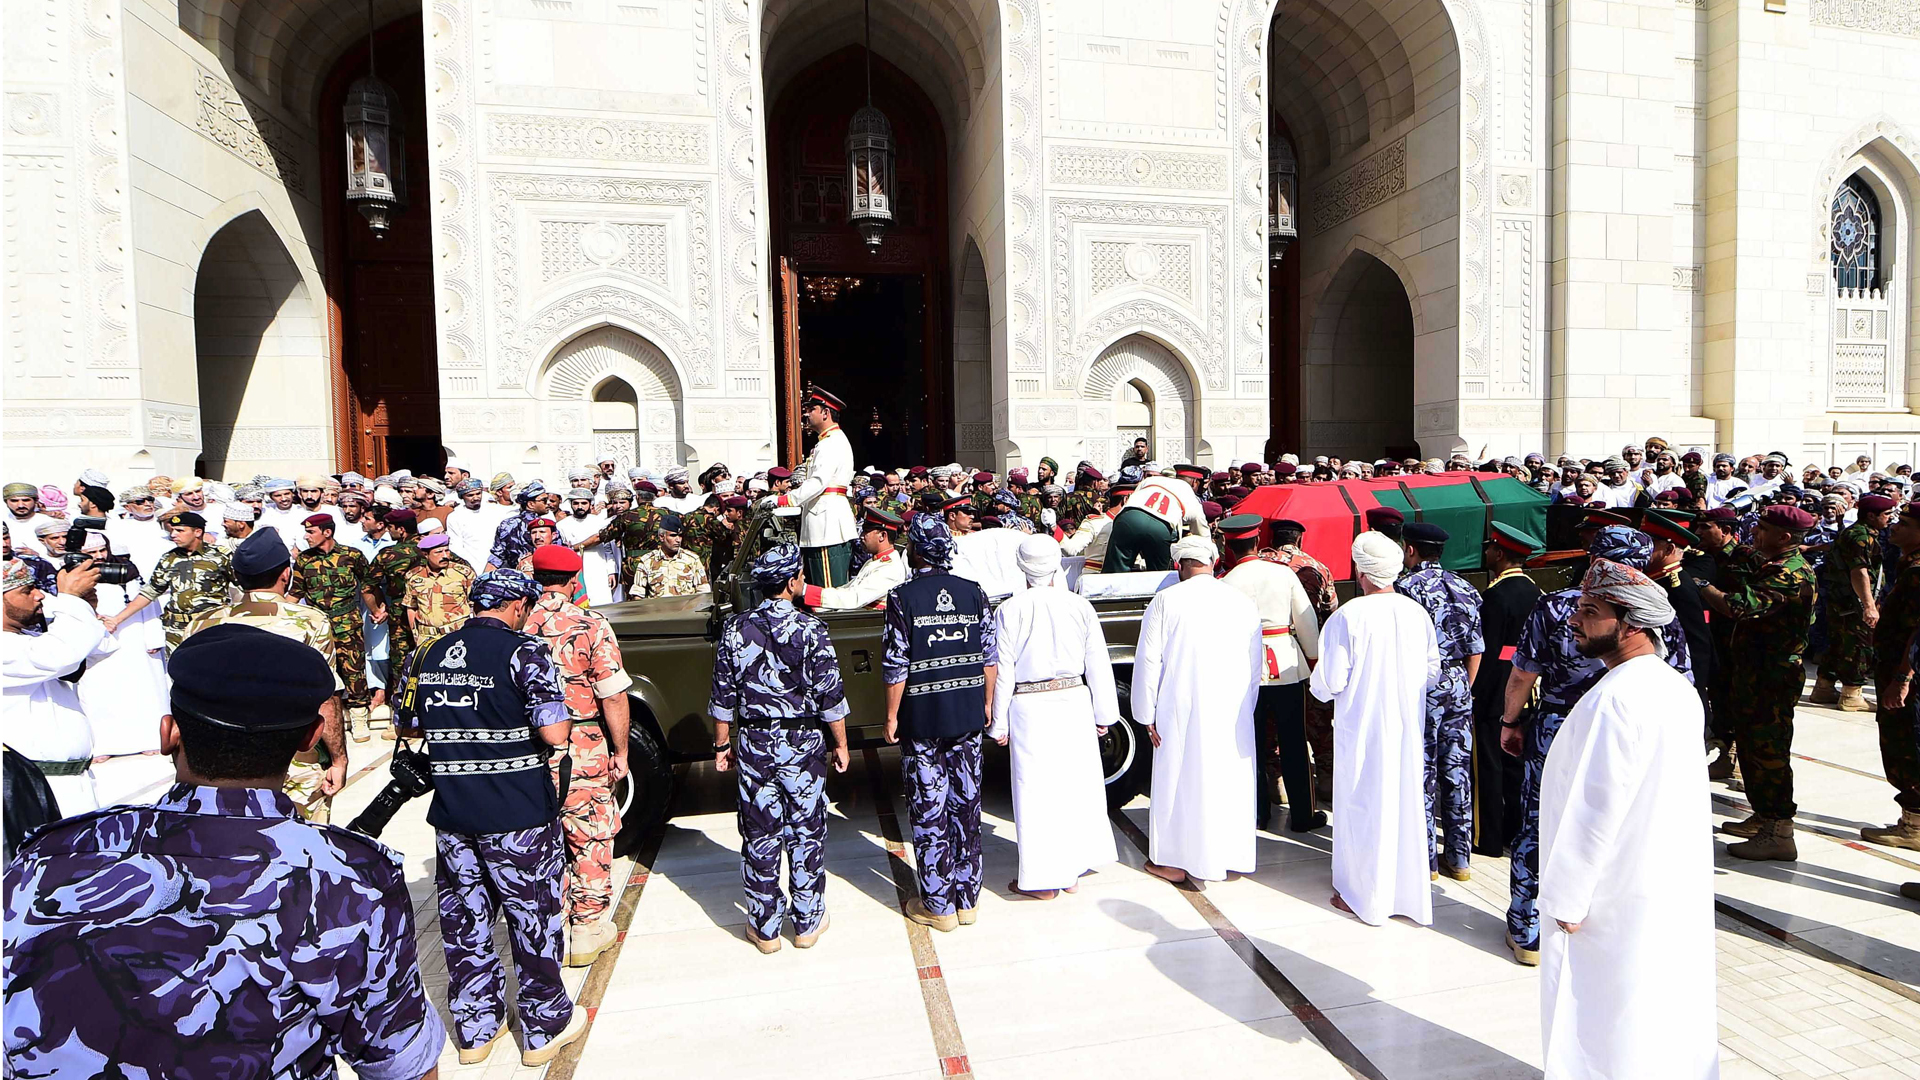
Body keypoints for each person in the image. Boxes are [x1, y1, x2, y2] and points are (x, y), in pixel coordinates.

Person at [2, 625, 447, 1079]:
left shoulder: (48, 856)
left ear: (169, 733)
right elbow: (400, 1063)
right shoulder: (350, 878)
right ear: (310, 737)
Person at [1536, 560, 1718, 1080]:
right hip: (1657, 880)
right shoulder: (1670, 683)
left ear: (1631, 622)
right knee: (1654, 1009)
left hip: (1610, 892)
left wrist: (1567, 897)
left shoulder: (1617, 697)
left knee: (1601, 1014)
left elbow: (1595, 807)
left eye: (1590, 612)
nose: (1574, 620)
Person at [402, 568, 587, 1067]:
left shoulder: (429, 652)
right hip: (518, 814)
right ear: (517, 606)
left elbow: (409, 721)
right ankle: (545, 1027)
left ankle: (476, 1030)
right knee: (534, 919)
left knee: (465, 922)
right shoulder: (524, 651)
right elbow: (552, 733)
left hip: (455, 813)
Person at [1501, 525, 1694, 965]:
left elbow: (1521, 674)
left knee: (1538, 823)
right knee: (1618, 828)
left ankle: (1526, 930)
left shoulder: (1554, 606)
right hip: (1631, 731)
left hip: (1556, 726)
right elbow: (1681, 678)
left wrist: (1510, 722)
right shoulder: (1655, 614)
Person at [709, 543, 851, 953]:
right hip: (803, 743)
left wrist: (722, 743)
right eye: (801, 577)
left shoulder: (736, 629)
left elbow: (723, 695)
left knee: (760, 832)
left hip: (754, 741)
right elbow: (831, 697)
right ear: (791, 583)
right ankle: (807, 923)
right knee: (806, 830)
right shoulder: (812, 629)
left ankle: (765, 927)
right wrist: (841, 744)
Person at [1308, 531, 1439, 926]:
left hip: (1362, 728)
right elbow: (1432, 671)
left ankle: (1362, 896)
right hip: (1405, 728)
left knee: (1363, 808)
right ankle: (1403, 895)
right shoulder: (1415, 612)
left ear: (1361, 572)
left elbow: (1329, 681)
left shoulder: (1349, 616)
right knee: (1402, 805)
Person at [184, 527, 351, 822]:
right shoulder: (309, 622)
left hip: (218, 760)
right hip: (291, 756)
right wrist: (338, 758)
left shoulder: (204, 622)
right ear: (285, 574)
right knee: (302, 845)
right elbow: (325, 697)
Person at [987, 533, 1120, 898]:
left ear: (1022, 566)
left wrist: (999, 723)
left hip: (1030, 706)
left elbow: (1005, 671)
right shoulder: (1079, 606)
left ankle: (1045, 880)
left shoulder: (1009, 610)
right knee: (1076, 785)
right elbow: (1098, 663)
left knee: (1036, 793)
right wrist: (1105, 712)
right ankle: (1073, 869)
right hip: (1075, 700)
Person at [882, 514, 995, 929]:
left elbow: (896, 664)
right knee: (967, 807)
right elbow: (989, 658)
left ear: (915, 550)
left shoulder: (902, 597)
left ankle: (938, 906)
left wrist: (891, 715)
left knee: (930, 812)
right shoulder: (973, 593)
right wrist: (986, 703)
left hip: (922, 718)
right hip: (966, 715)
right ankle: (968, 901)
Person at [524, 545, 634, 967]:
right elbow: (612, 693)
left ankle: (549, 925)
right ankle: (586, 931)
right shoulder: (590, 623)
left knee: (541, 838)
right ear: (573, 581)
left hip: (528, 749)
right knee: (590, 834)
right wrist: (621, 751)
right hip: (581, 745)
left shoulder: (516, 621)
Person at [1132, 534, 1261, 883]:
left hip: (1180, 705)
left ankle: (1174, 861)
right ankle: (1230, 856)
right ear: (1214, 562)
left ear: (1179, 566)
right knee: (1228, 779)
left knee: (1180, 781)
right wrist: (1245, 708)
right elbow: (1255, 665)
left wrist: (1145, 714)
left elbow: (1148, 660)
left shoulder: (1166, 600)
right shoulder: (1241, 601)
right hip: (1232, 707)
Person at [1699, 504, 1816, 861]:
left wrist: (1700, 586)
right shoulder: (1771, 566)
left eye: (1762, 529)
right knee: (1752, 747)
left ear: (1783, 537)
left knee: (1768, 752)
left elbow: (1736, 606)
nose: (1754, 534)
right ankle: (1764, 816)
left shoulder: (1788, 574)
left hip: (1772, 677)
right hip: (1756, 672)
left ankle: (1779, 831)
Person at [1219, 514, 1324, 832]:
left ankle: (1257, 810)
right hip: (1286, 663)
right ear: (1257, 541)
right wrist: (1313, 657)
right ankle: (1303, 814)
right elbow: (1306, 621)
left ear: (1229, 545)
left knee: (1250, 742)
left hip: (1244, 668)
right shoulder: (1282, 574)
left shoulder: (1225, 583)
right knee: (1294, 741)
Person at [1394, 521, 1484, 879]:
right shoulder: (1465, 586)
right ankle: (1460, 859)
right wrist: (1463, 686)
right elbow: (1476, 649)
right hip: (1459, 680)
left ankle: (1426, 859)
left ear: (1410, 550)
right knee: (1457, 770)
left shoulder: (1405, 588)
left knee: (1423, 770)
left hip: (1421, 682)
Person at [2, 555, 109, 813]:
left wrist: (85, 607)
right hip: (31, 791)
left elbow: (96, 649)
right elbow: (61, 654)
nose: (39, 595)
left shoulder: (29, 639)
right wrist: (70, 601)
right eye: (27, 590)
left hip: (71, 783)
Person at [1472, 522, 1542, 856]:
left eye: (1490, 548)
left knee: (1488, 762)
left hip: (1497, 683)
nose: (1486, 552)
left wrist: (1477, 691)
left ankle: (1487, 837)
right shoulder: (1534, 591)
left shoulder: (1497, 595)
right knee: (1515, 763)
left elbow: (1487, 649)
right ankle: (1515, 830)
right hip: (1526, 683)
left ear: (1499, 553)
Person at [1860, 503, 1920, 850]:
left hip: (1906, 676)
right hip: (1896, 669)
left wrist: (1903, 678)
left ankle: (1913, 825)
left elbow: (1917, 631)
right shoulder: (1907, 564)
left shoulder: (1918, 572)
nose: (1895, 527)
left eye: (1905, 523)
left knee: (1906, 745)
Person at [292, 513, 382, 740]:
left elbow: (369, 585)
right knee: (319, 670)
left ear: (327, 532)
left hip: (347, 623)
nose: (306, 536)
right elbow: (296, 592)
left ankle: (359, 716)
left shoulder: (352, 556)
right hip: (318, 625)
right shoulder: (304, 560)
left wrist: (377, 610)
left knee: (354, 669)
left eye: (311, 532)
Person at [103, 510, 234, 654]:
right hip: (177, 629)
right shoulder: (169, 558)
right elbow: (150, 592)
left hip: (211, 625)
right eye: (172, 530)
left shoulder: (222, 556)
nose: (173, 535)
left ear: (197, 532)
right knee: (179, 672)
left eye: (180, 530)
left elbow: (245, 586)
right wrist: (117, 619)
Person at [765, 385, 857, 587]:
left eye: (811, 409)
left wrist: (783, 500)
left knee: (828, 592)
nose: (806, 414)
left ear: (825, 413)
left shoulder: (832, 442)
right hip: (821, 525)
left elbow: (818, 482)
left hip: (828, 527)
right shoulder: (826, 442)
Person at [1813, 492, 1893, 710]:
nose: (1890, 517)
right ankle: (1851, 694)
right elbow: (1860, 572)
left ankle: (1824, 686)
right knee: (1859, 645)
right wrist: (1869, 605)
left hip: (1841, 600)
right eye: (1886, 514)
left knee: (1838, 643)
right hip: (1852, 602)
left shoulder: (1855, 532)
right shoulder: (1860, 536)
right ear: (1871, 515)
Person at [1104, 464, 1207, 573]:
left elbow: (1132, 498)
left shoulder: (1151, 480)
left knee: (1113, 573)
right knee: (1159, 577)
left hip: (1129, 517)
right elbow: (1200, 525)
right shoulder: (1188, 491)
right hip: (1161, 526)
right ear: (1195, 482)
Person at [805, 507, 907, 609]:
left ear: (882, 536)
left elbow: (853, 599)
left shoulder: (889, 569)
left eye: (866, 531)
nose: (861, 536)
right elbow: (848, 590)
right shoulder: (877, 561)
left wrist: (806, 591)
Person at [401, 532, 475, 653]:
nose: (445, 555)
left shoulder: (463, 573)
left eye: (447, 551)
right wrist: (416, 635)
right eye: (438, 552)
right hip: (427, 638)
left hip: (457, 635)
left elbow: (474, 604)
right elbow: (411, 607)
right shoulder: (414, 577)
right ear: (426, 554)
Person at [637, 513, 710, 597]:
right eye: (673, 535)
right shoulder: (647, 561)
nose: (678, 540)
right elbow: (638, 594)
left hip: (686, 608)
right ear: (661, 537)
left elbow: (703, 591)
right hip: (658, 609)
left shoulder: (692, 560)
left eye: (680, 536)